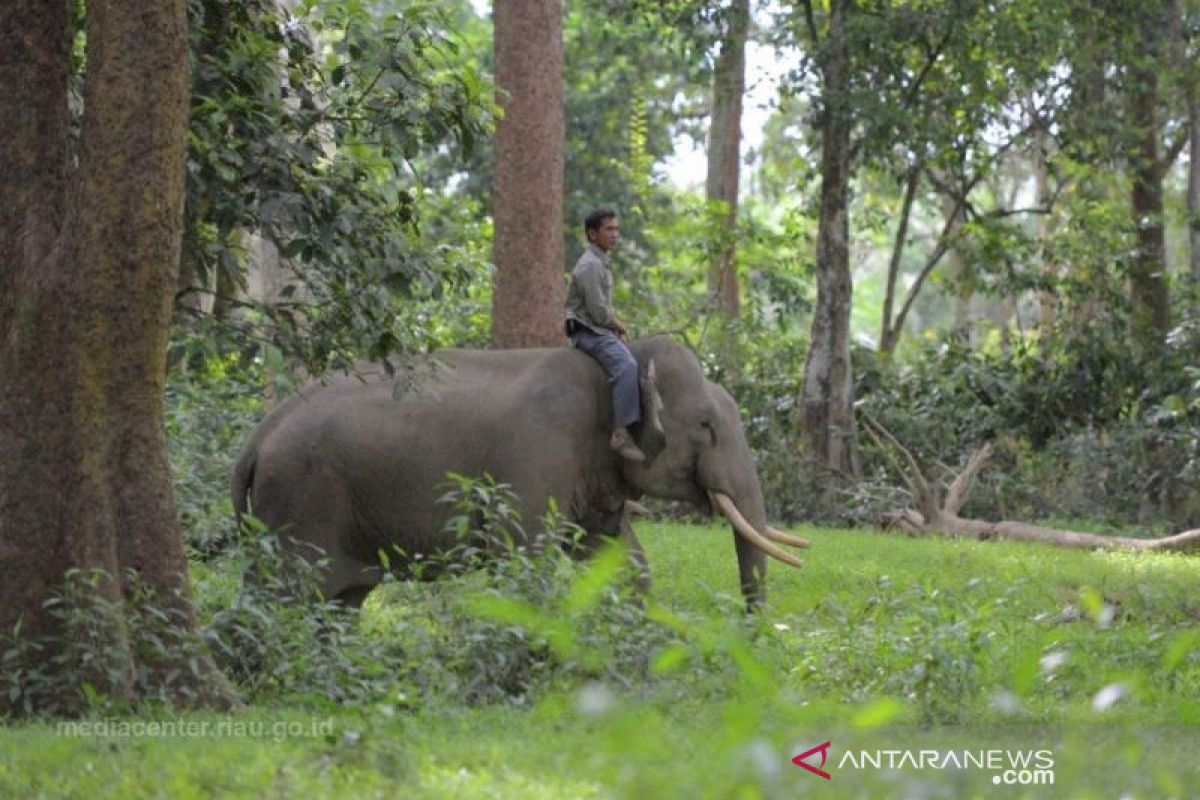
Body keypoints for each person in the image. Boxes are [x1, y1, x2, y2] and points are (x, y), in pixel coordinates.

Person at [564, 208, 646, 462]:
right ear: (592, 234)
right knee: (626, 366)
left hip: (597, 330)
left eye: (616, 229)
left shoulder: (600, 262)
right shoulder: (590, 266)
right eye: (609, 229)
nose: (615, 235)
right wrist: (616, 326)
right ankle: (621, 434)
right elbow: (599, 313)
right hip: (588, 333)